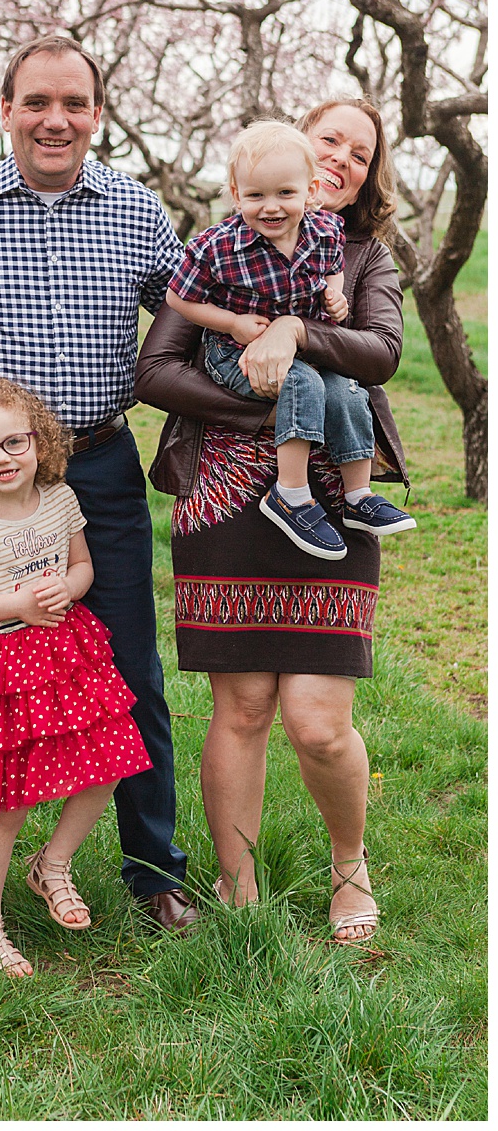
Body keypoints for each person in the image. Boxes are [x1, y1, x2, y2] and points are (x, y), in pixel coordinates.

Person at [0, 36, 197, 935]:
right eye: (36, 101)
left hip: (97, 467)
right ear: (5, 111)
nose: (55, 120)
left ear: (98, 116)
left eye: (74, 103)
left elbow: (191, 311)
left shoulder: (137, 211)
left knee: (129, 667)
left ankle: (154, 869)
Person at [136, 98, 408, 942]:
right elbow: (158, 367)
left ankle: (350, 864)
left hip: (332, 499)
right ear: (295, 145)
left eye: (360, 154)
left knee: (319, 721)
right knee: (245, 707)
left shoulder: (361, 254)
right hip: (225, 500)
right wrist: (256, 410)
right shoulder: (224, 246)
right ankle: (237, 878)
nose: (342, 159)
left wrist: (293, 331)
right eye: (331, 138)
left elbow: (381, 351)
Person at [0, 377, 153, 976]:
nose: (3, 459)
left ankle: (52, 865)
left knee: (110, 760)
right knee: (7, 800)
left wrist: (68, 591)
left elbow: (82, 565)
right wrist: (16, 606)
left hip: (61, 654)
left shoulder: (61, 499)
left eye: (14, 444)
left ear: (39, 441)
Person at [164, 120, 415, 559]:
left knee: (347, 389)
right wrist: (230, 322)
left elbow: (333, 269)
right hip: (236, 352)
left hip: (307, 357)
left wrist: (334, 295)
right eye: (256, 195)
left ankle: (359, 495)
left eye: (285, 194)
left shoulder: (324, 231)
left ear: (310, 190)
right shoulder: (216, 247)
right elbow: (177, 298)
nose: (271, 207)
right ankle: (291, 496)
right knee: (305, 383)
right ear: (236, 193)